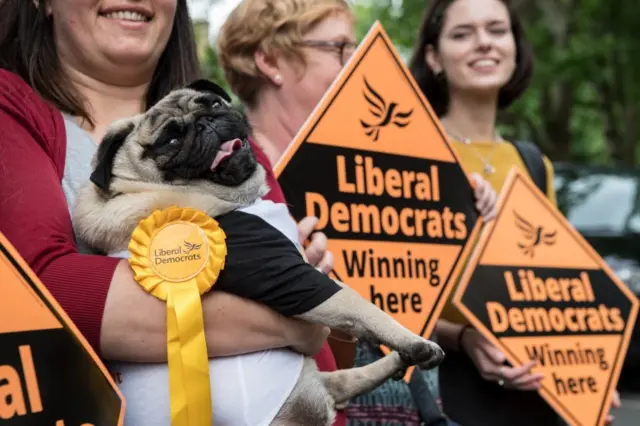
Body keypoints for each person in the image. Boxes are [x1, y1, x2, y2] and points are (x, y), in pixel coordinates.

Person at [0, 0, 337, 424]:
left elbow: (326, 354)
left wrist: (315, 286)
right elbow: (43, 289)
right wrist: (297, 318)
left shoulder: (222, 128)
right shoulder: (11, 108)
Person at [215, 1, 498, 425]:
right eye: (339, 48)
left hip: (413, 408)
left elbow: (402, 299)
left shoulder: (379, 168)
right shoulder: (228, 179)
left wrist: (456, 207)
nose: (355, 62)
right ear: (270, 60)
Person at [408, 0, 621, 425]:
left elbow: (549, 289)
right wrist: (465, 339)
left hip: (535, 395)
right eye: (463, 33)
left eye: (496, 30)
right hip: (448, 391)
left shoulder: (531, 163)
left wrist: (586, 373)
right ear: (434, 57)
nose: (484, 43)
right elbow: (383, 298)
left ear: (515, 47)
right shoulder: (412, 155)